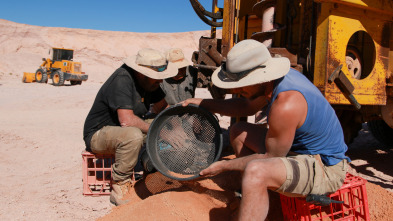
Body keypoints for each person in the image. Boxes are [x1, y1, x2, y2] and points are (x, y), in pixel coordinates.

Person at [182, 39, 350, 220]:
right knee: (238, 132)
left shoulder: (286, 104)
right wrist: (203, 103)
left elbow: (270, 158)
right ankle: (254, 199)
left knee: (256, 172)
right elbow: (246, 107)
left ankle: (254, 194)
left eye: (242, 83)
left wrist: (223, 166)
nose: (237, 89)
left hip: (325, 168)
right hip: (296, 150)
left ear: (261, 78)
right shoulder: (274, 82)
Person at [83, 48, 177, 206]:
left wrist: (175, 130)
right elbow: (127, 121)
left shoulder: (149, 83)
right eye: (156, 78)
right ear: (141, 73)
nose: (160, 81)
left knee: (161, 125)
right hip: (98, 134)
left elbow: (164, 108)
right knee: (134, 135)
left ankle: (158, 170)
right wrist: (161, 132)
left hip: (124, 130)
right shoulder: (122, 78)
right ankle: (119, 184)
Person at [151, 48, 197, 113]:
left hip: (188, 112)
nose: (179, 72)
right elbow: (158, 106)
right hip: (167, 113)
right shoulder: (159, 78)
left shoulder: (192, 72)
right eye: (176, 69)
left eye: (182, 68)